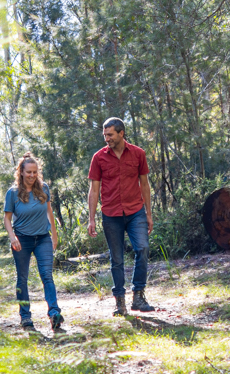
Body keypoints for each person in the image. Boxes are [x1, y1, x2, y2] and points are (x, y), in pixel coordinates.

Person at [87, 117, 155, 316]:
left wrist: (149, 214)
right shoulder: (98, 158)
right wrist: (91, 219)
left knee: (142, 248)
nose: (106, 138)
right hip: (111, 214)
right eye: (104, 135)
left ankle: (139, 296)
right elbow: (94, 190)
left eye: (110, 135)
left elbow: (145, 185)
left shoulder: (138, 154)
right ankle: (120, 302)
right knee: (116, 259)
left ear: (121, 133)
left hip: (136, 212)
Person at [3, 152, 64, 331]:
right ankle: (25, 316)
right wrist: (12, 237)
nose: (31, 175)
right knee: (22, 278)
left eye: (34, 172)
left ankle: (54, 313)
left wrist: (54, 234)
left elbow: (49, 212)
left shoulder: (43, 188)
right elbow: (7, 219)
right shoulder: (12, 193)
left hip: (43, 238)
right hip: (21, 240)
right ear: (21, 172)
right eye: (28, 172)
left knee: (47, 276)